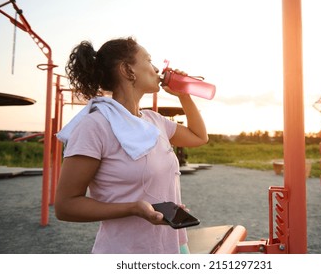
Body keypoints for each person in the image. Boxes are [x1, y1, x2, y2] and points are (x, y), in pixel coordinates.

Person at [54, 37, 208, 254]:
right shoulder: (94, 126)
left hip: (174, 246)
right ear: (127, 70)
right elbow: (65, 206)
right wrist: (133, 208)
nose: (156, 69)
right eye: (148, 60)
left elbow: (199, 137)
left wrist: (185, 96)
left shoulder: (154, 121)